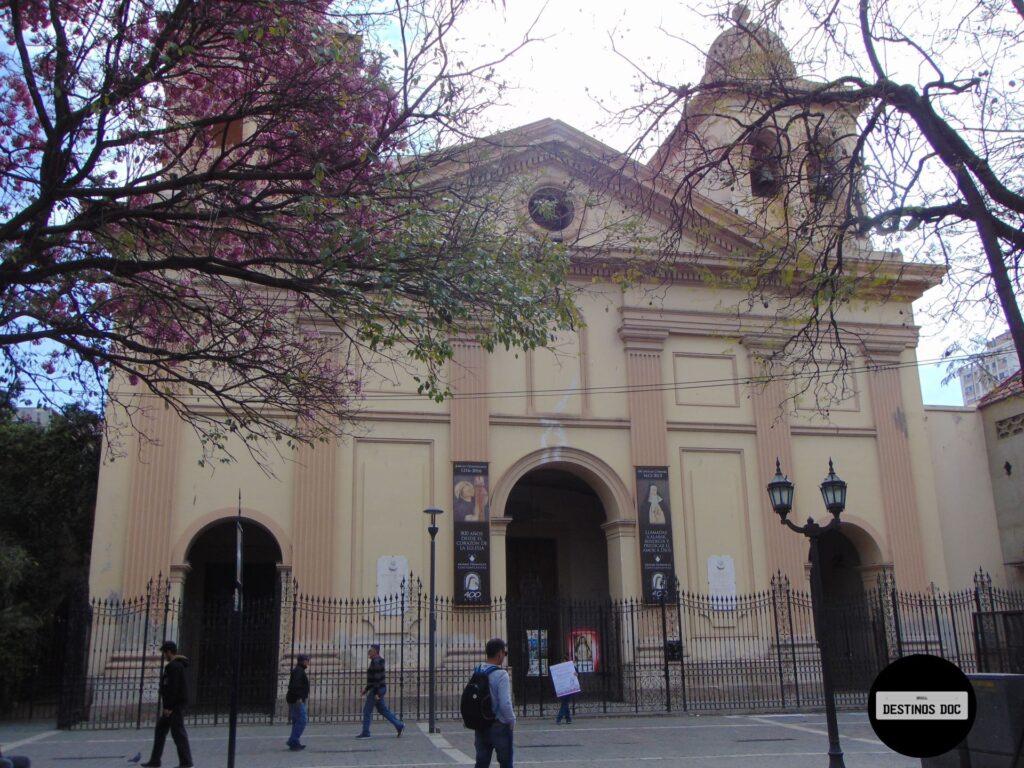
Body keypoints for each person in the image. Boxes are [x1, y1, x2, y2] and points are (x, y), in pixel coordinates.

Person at [141, 640, 193, 768]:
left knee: (178, 733)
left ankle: (186, 763)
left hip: (174, 706)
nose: (164, 656)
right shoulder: (176, 665)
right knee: (161, 730)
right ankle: (155, 761)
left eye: (164, 653)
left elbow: (172, 688)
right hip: (174, 705)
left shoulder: (174, 667)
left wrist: (168, 707)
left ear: (169, 652)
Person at [474, 637, 515, 768]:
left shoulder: (478, 670)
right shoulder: (501, 675)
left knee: (481, 763)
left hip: (481, 724)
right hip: (499, 725)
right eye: (505, 653)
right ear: (499, 654)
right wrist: (511, 720)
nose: (504, 656)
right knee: (505, 763)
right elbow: (505, 703)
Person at [358, 644, 404, 738]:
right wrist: (366, 689)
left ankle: (366, 732)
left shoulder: (376, 662)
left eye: (370, 651)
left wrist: (377, 693)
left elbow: (377, 679)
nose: (368, 652)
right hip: (378, 689)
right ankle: (399, 725)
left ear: (375, 651)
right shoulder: (376, 661)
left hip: (376, 690)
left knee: (367, 710)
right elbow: (374, 679)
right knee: (383, 710)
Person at [285, 653, 311, 751]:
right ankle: (293, 740)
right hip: (296, 700)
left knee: (296, 720)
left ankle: (294, 741)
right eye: (307, 660)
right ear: (303, 661)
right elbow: (295, 686)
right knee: (302, 719)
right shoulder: (299, 671)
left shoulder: (298, 670)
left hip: (293, 699)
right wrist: (299, 697)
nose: (308, 662)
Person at [555, 654, 576, 725]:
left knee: (565, 703)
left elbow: (576, 674)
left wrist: (576, 674)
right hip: (562, 687)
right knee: (565, 703)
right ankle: (568, 718)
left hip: (569, 687)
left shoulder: (571, 667)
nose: (564, 662)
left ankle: (559, 718)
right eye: (563, 661)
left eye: (565, 661)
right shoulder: (560, 668)